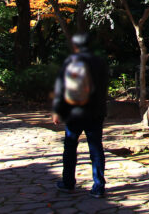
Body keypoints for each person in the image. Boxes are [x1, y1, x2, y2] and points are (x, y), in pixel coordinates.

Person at [52, 33, 109, 198]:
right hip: (96, 112)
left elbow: (61, 87)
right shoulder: (101, 62)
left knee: (70, 146)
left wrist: (57, 110)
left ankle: (68, 183)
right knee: (96, 148)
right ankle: (99, 186)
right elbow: (104, 86)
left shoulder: (71, 61)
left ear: (75, 46)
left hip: (75, 112)